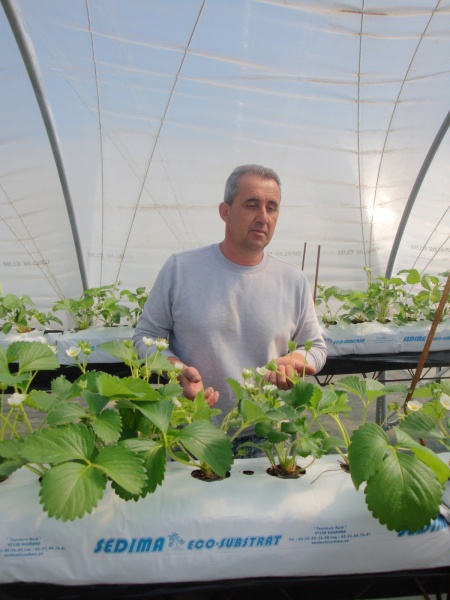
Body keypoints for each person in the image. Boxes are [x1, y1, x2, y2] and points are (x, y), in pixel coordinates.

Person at [133, 164, 327, 438]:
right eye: (251, 205)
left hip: (267, 435)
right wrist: (175, 371)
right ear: (225, 211)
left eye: (272, 207)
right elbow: (145, 337)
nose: (263, 217)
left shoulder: (292, 280)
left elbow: (317, 348)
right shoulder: (181, 269)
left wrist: (294, 360)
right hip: (192, 430)